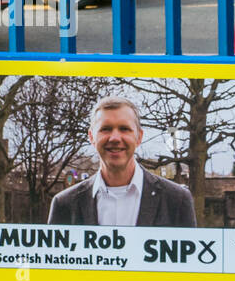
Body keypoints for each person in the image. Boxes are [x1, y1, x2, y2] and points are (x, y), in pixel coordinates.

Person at [47, 96, 197, 227]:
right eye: (106, 129)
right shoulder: (64, 204)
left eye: (124, 129)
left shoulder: (177, 200)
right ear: (91, 137)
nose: (115, 138)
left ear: (139, 137)